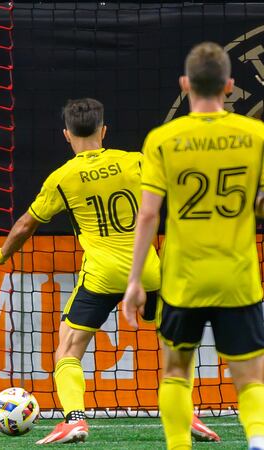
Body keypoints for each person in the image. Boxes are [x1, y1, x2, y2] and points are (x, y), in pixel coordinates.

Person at [0, 98, 218, 445]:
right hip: (149, 272)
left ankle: (75, 420)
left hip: (102, 276)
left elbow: (26, 224)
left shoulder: (63, 178)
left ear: (66, 135)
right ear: (104, 131)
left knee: (68, 348)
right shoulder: (136, 162)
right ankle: (183, 412)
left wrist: (0, 255)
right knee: (171, 343)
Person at [122, 41, 264, 450]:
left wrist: (135, 281)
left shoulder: (163, 139)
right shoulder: (253, 134)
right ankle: (256, 439)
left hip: (184, 279)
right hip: (237, 277)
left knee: (176, 371)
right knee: (251, 379)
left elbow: (148, 215)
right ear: (230, 86)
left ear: (185, 84)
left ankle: (178, 447)